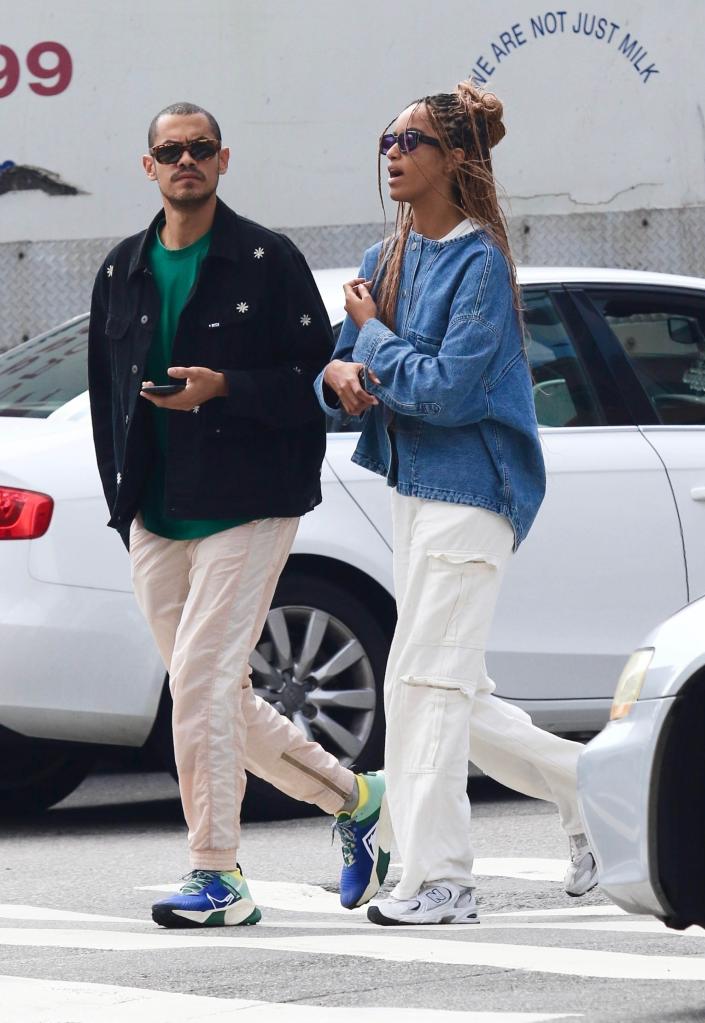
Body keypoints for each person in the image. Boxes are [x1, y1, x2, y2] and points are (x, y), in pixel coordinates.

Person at [87, 101, 390, 928]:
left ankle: (217, 875)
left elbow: (315, 373)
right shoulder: (120, 268)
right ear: (148, 167)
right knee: (209, 691)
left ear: (224, 161)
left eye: (201, 149)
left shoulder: (266, 259)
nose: (186, 160)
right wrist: (124, 507)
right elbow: (108, 394)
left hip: (249, 503)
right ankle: (359, 799)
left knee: (201, 683)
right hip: (157, 510)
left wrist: (223, 387)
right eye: (170, 150)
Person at [315, 82, 598, 926]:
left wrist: (372, 344)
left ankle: (442, 880)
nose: (392, 154)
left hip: (476, 488)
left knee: (425, 685)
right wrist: (344, 378)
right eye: (387, 139)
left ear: (457, 160)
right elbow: (335, 373)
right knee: (450, 691)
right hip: (413, 490)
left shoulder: (481, 262)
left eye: (410, 141)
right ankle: (601, 796)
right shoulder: (384, 256)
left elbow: (447, 393)